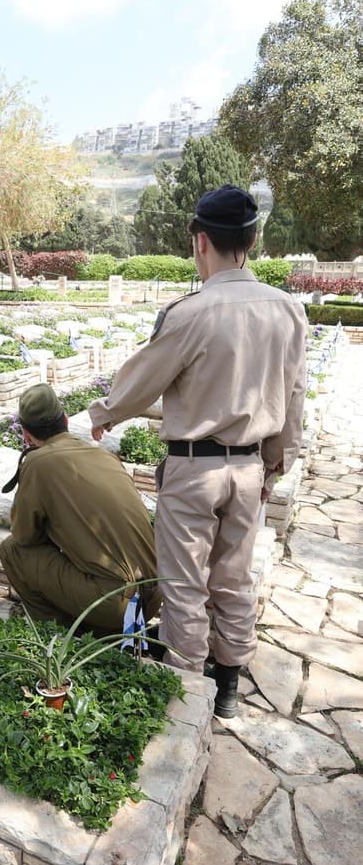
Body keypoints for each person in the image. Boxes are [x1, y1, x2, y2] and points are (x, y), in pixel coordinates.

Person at [88, 185, 307, 717]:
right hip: (249, 468)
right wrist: (276, 463)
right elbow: (294, 395)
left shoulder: (191, 312)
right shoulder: (288, 310)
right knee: (233, 578)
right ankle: (228, 686)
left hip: (195, 469)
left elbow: (144, 378)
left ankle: (186, 696)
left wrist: (103, 415)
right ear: (251, 240)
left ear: (201, 241)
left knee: (185, 585)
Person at [0, 383, 160, 636]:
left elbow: (24, 537)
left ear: (26, 435)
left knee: (11, 551)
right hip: (152, 596)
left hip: (115, 604)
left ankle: (61, 638)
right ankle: (102, 631)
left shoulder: (38, 463)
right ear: (65, 420)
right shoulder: (104, 455)